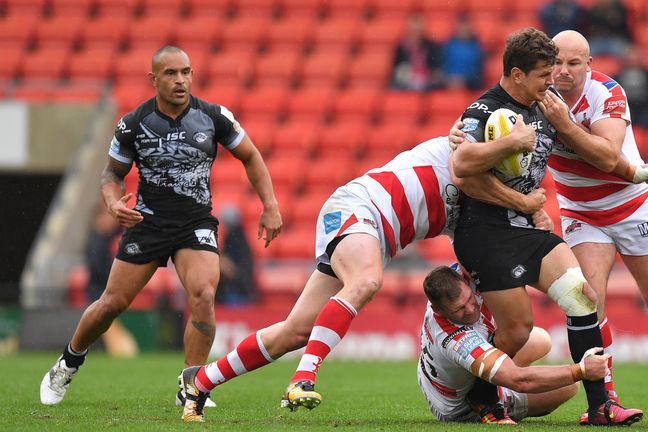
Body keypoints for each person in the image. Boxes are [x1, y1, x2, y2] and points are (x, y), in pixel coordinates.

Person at [176, 134, 546, 423]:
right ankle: (303, 378)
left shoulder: (479, 205)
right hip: (358, 209)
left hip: (376, 236)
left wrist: (533, 224)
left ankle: (201, 380)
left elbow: (491, 248)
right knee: (368, 280)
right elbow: (465, 144)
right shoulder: (462, 155)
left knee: (297, 330)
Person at [40, 45, 283, 408]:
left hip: (195, 223)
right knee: (111, 304)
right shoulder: (133, 124)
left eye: (186, 72)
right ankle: (68, 362)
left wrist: (270, 205)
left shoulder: (213, 117)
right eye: (171, 73)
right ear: (154, 79)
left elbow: (250, 155)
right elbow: (111, 174)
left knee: (202, 295)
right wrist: (111, 202)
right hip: (148, 223)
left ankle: (192, 385)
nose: (181, 80)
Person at [447, 28, 645, 426]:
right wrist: (509, 145)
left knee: (582, 298)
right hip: (486, 234)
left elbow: (597, 151)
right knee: (518, 330)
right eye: (544, 72)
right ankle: (483, 399)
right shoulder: (484, 111)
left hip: (530, 229)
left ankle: (600, 405)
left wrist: (636, 171)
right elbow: (463, 167)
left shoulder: (547, 105)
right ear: (517, 75)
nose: (552, 78)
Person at [536, 30, 648, 425]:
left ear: (589, 64)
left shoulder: (608, 92)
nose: (564, 72)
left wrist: (563, 124)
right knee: (587, 302)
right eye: (557, 63)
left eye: (574, 63)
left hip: (632, 205)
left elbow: (607, 156)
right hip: (581, 212)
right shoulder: (534, 95)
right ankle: (606, 399)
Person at [419, 264, 608, 424]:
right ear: (438, 310)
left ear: (462, 279)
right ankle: (483, 402)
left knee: (541, 340)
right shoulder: (456, 340)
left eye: (469, 299)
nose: (470, 309)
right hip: (458, 406)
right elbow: (519, 380)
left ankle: (489, 380)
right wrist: (581, 370)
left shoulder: (458, 276)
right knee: (568, 387)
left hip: (437, 379)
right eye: (459, 309)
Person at [85, 203, 138, 358]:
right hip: (98, 291)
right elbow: (97, 268)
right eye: (108, 217)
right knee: (102, 325)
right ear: (99, 218)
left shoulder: (106, 236)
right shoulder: (96, 239)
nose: (112, 221)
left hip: (103, 290)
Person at [615, 45, 648, 130]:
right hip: (626, 110)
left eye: (635, 60)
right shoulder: (616, 78)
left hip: (646, 110)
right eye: (630, 61)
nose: (633, 63)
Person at [217, 206, 258, 304]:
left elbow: (231, 268)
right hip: (241, 286)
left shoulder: (235, 239)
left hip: (238, 290)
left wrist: (220, 261)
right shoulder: (239, 236)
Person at [391, 14, 443, 91]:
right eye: (413, 30)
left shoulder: (432, 46)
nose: (416, 32)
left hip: (426, 83)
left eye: (418, 30)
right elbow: (396, 68)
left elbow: (436, 69)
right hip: (406, 82)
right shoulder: (401, 47)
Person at [441, 15, 484, 91]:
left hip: (470, 82)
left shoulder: (477, 46)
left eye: (466, 27)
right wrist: (450, 78)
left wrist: (464, 80)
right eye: (461, 27)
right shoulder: (449, 45)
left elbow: (478, 69)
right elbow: (443, 65)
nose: (463, 30)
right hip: (449, 80)